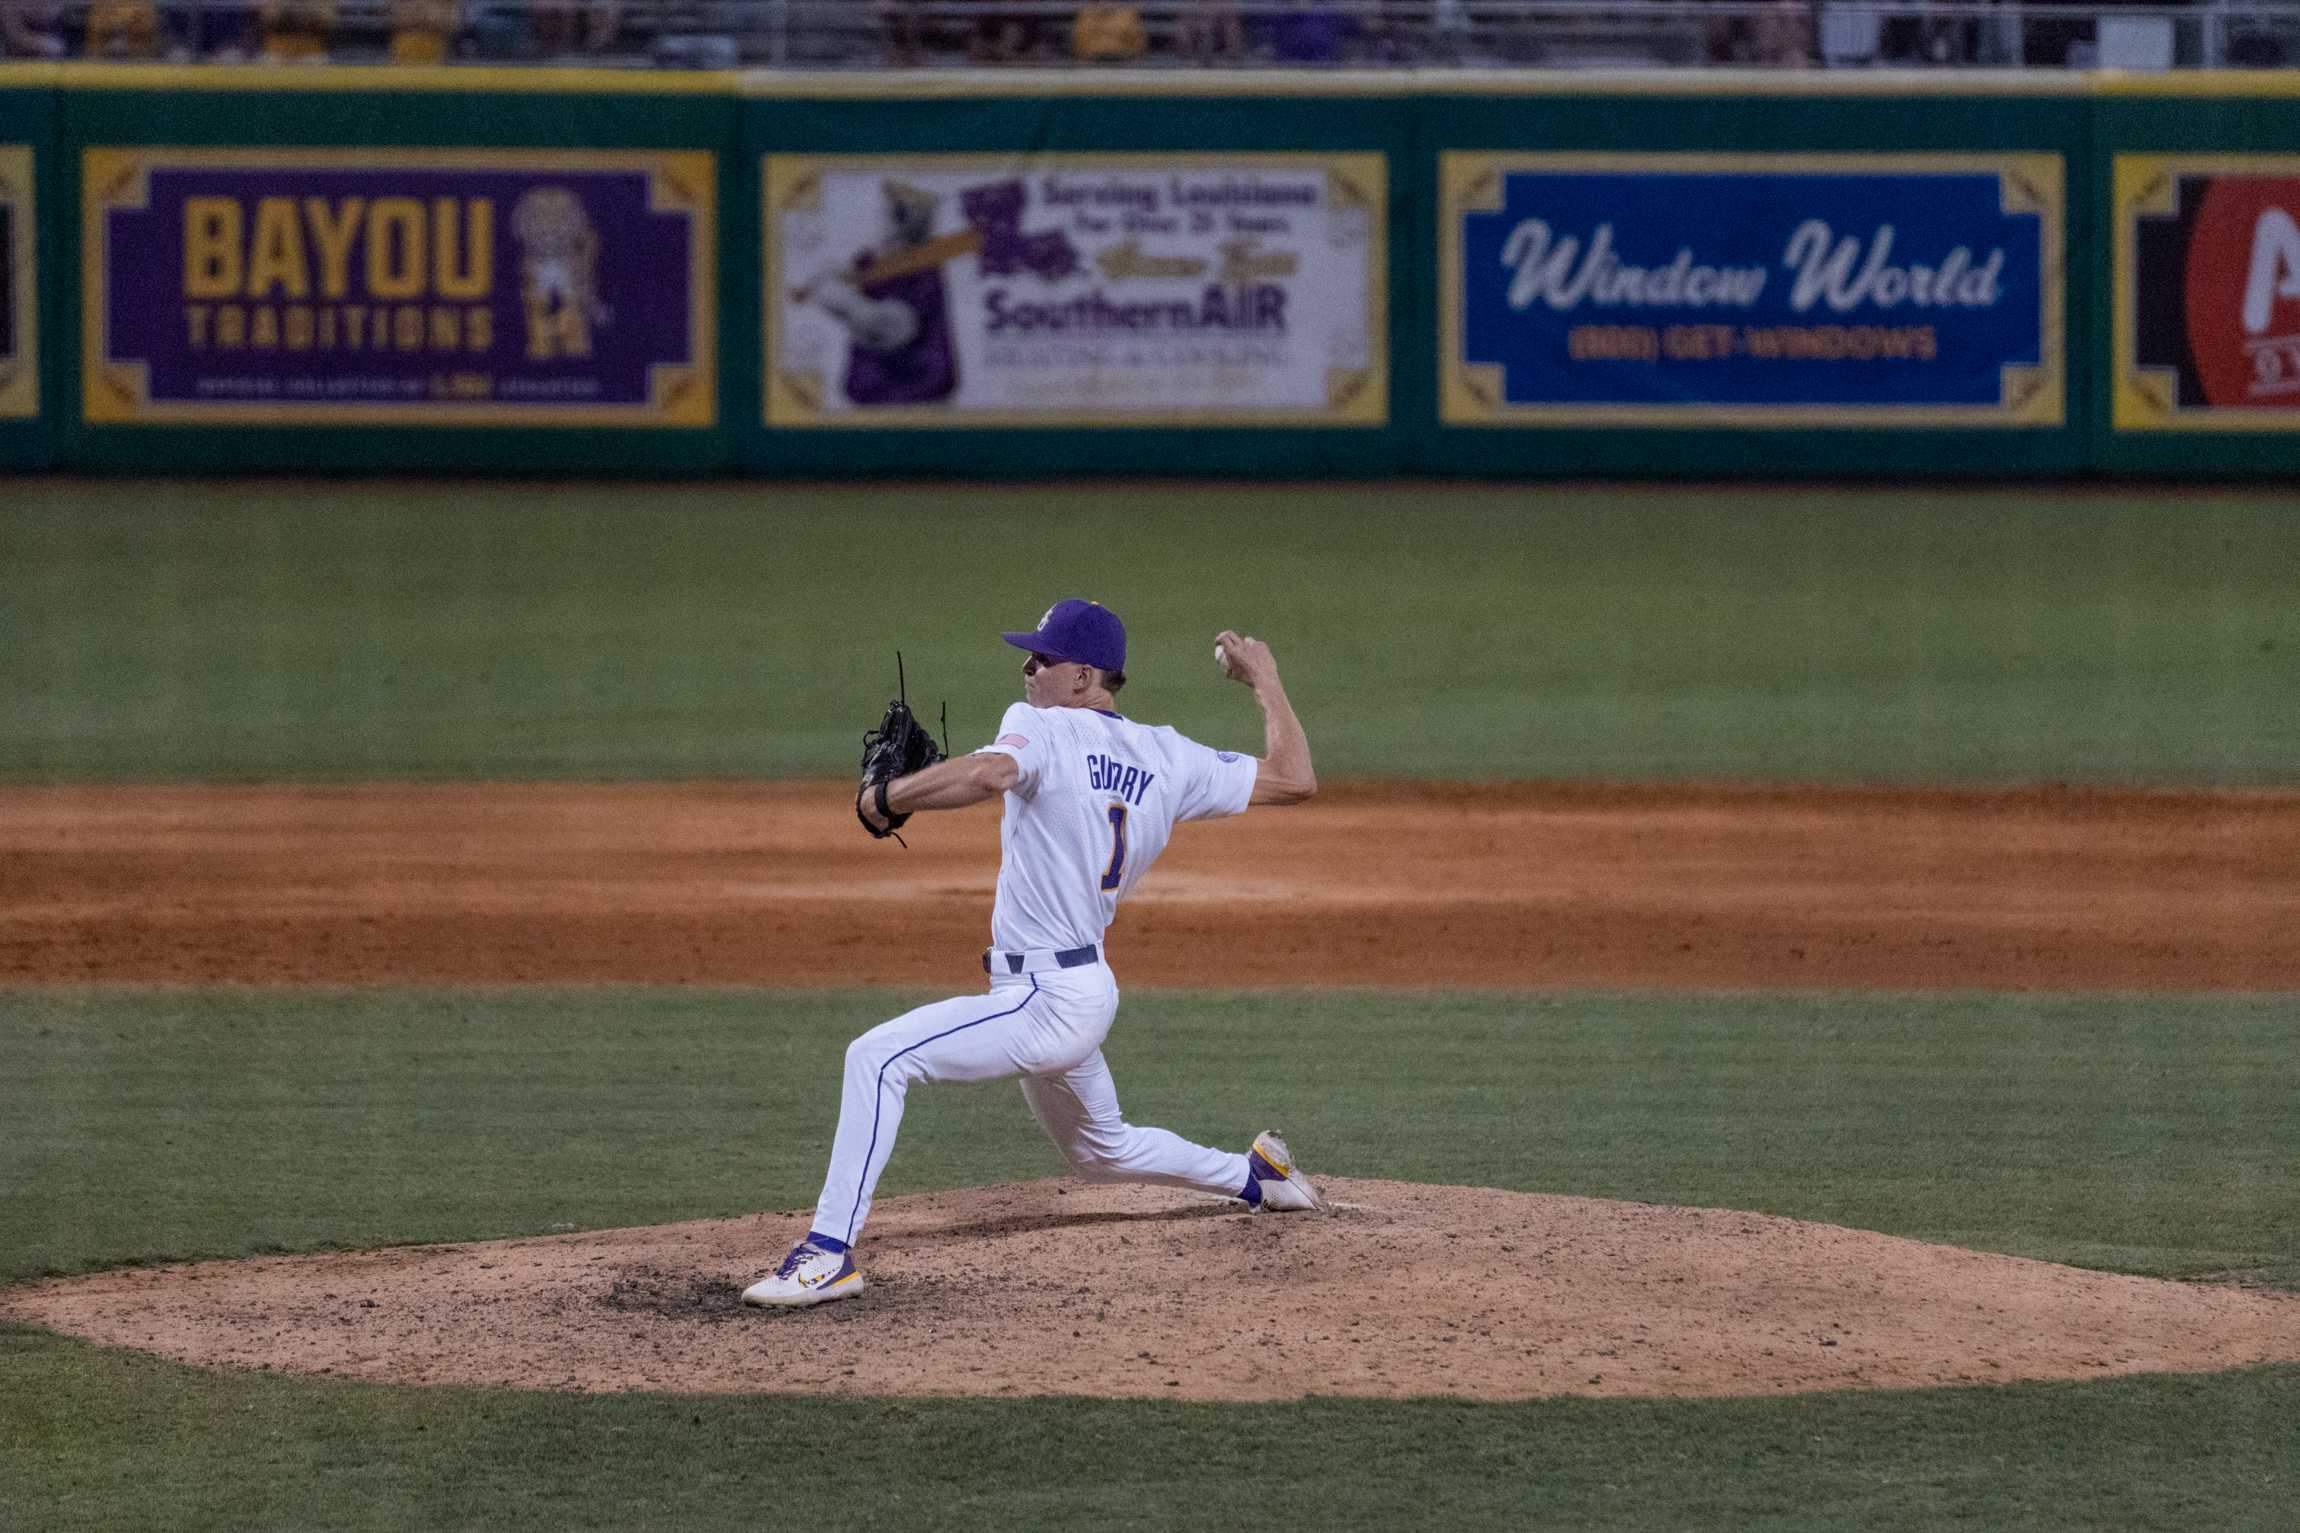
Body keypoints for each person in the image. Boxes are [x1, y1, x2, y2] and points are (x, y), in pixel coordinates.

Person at [742, 599, 1325, 1309]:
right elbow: (1295, 777)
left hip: (1042, 998)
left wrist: (886, 797)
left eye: (1041, 657)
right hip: (1080, 989)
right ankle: (1254, 1175)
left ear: (1084, 676)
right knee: (1100, 1150)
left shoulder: (1040, 727)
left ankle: (827, 1253)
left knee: (878, 1057)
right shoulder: (1169, 756)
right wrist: (1263, 678)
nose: (1026, 667)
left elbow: (991, 773)